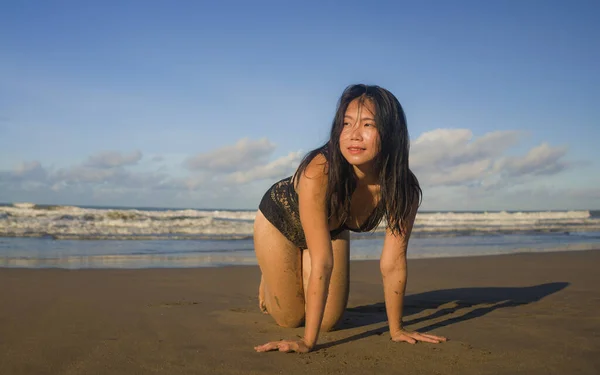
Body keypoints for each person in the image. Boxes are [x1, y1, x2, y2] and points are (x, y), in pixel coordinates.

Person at [253, 84, 447, 353]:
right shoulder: (319, 170)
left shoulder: (403, 187)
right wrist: (307, 343)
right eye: (346, 123)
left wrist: (396, 329)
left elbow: (393, 263)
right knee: (290, 318)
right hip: (280, 223)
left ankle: (285, 276)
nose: (354, 135)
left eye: (368, 124)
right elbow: (323, 261)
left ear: (391, 133)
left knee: (328, 322)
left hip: (329, 229)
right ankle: (270, 275)